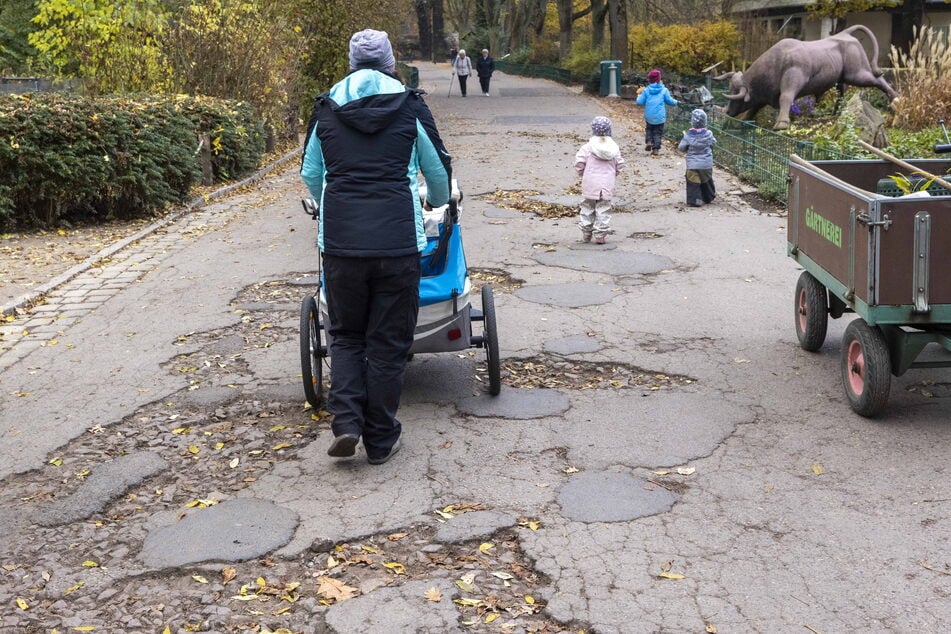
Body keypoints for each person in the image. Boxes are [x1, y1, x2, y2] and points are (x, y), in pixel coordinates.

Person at [300, 29, 452, 464]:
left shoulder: (326, 109)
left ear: (351, 64)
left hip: (343, 245)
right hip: (397, 242)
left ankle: (347, 422)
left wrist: (330, 201)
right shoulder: (410, 106)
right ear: (389, 63)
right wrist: (435, 201)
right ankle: (381, 441)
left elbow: (311, 173)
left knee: (346, 336)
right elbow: (438, 171)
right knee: (387, 343)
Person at [574, 116, 624, 244]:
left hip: (590, 182)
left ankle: (586, 233)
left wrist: (582, 173)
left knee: (587, 207)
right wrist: (614, 174)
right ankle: (600, 234)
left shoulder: (588, 147)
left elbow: (579, 162)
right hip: (606, 183)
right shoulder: (614, 148)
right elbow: (619, 164)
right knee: (603, 208)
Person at [677, 108, 717, 207]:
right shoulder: (709, 134)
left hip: (692, 164)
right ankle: (708, 197)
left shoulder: (688, 136)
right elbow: (713, 142)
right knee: (706, 180)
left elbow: (681, 148)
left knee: (693, 182)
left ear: (692, 122)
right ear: (705, 122)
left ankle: (696, 201)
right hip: (706, 164)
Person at [635, 69, 677, 155]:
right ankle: (656, 149)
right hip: (660, 116)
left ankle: (649, 141)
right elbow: (669, 101)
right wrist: (676, 102)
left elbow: (639, 102)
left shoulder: (646, 90)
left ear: (650, 80)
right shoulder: (664, 90)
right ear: (659, 79)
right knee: (658, 132)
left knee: (649, 129)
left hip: (649, 115)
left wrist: (639, 95)